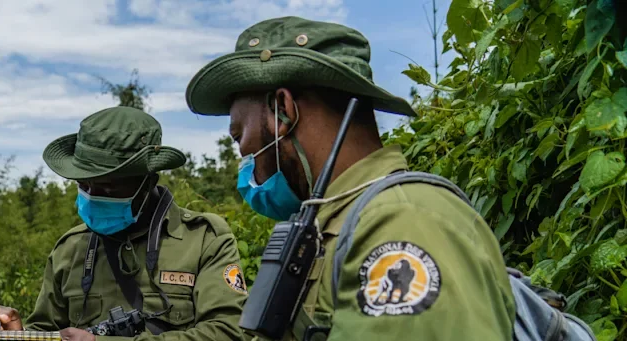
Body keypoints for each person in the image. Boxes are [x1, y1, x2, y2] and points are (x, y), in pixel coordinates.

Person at [183, 16, 516, 340]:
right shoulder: (335, 226)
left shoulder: (400, 224)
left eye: (239, 135)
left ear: (282, 110)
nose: (243, 157)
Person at [0, 106, 249, 341]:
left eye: (107, 189)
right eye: (84, 186)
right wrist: (19, 333)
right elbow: (49, 330)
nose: (93, 197)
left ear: (147, 182)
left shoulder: (203, 239)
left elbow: (228, 332)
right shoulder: (69, 250)